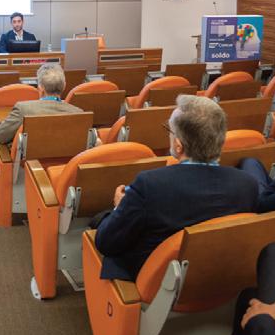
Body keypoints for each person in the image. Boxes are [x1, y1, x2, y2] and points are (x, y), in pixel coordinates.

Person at [94, 95, 258, 280]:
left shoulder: (150, 185)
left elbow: (106, 243)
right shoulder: (247, 185)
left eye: (169, 129)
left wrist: (119, 207)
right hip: (215, 279)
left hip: (153, 283)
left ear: (179, 146)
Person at [0, 62, 81, 145]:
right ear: (64, 86)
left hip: (27, 158)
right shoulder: (78, 113)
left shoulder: (23, 109)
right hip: (68, 158)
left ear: (40, 89)